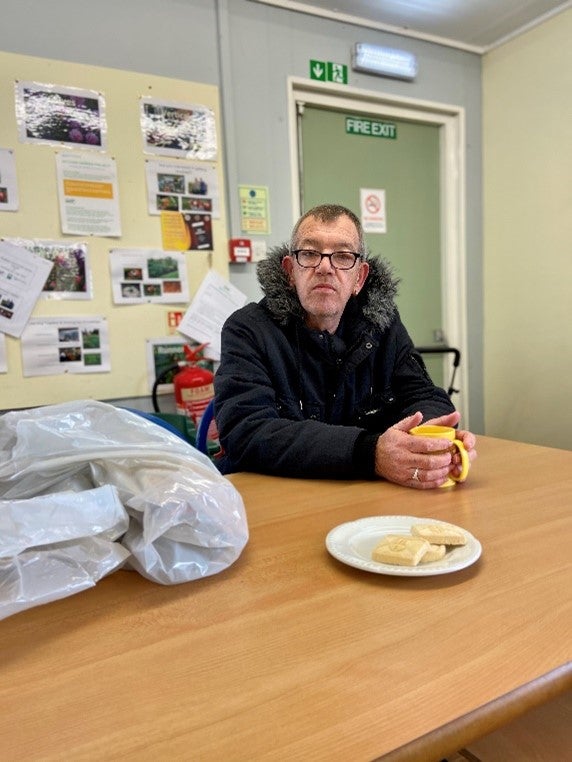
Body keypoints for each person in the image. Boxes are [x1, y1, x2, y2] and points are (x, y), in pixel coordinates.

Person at [214, 203, 476, 488]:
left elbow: (424, 395)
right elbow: (246, 431)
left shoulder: (383, 325)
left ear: (359, 278)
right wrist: (370, 453)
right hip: (276, 497)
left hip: (364, 497)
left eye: (342, 256)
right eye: (310, 254)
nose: (325, 267)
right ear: (291, 271)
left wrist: (430, 441)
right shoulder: (247, 329)